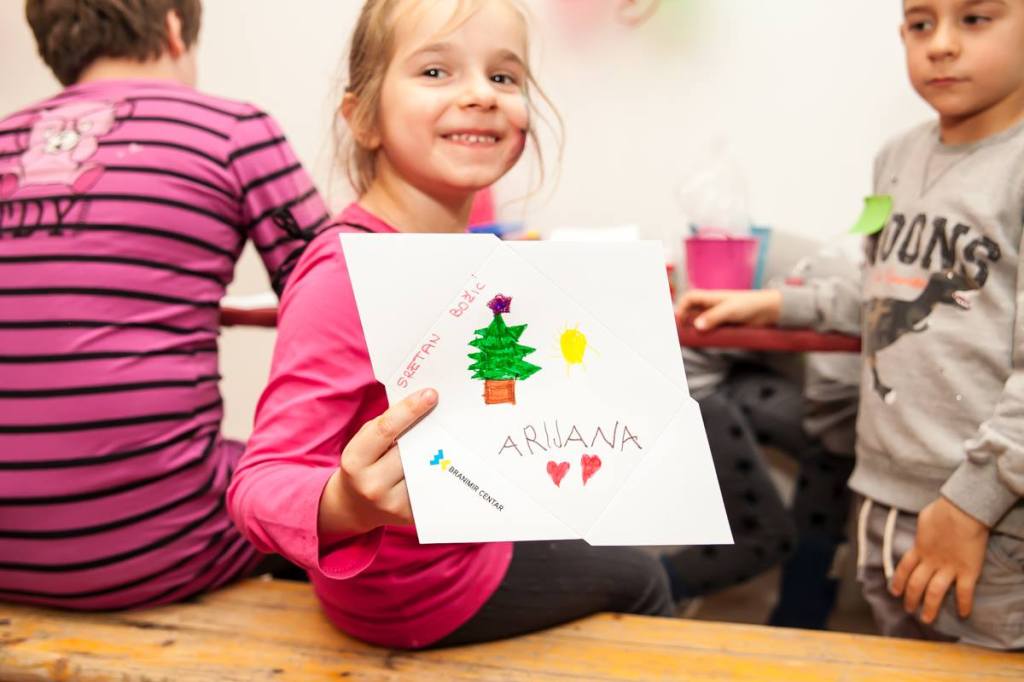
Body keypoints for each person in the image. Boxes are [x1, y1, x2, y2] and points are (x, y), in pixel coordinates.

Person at [227, 0, 673, 650]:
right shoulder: (345, 272)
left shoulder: (456, 253)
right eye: (435, 71)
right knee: (645, 579)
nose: (481, 95)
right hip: (420, 593)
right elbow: (258, 484)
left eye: (503, 76)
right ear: (363, 118)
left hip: (466, 543)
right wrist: (346, 504)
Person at [677, 0, 1024, 649]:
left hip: (990, 518)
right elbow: (884, 291)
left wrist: (971, 505)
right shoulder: (896, 157)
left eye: (975, 19)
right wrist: (777, 307)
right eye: (921, 24)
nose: (940, 44)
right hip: (880, 500)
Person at [0, 0, 329, 609]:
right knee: (312, 487)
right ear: (176, 29)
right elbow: (344, 299)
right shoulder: (232, 130)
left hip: (7, 554)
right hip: (157, 546)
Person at [663, 251, 860, 630]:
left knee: (829, 462)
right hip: (691, 382)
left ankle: (799, 620)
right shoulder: (828, 294)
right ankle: (646, 588)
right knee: (764, 537)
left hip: (722, 376)